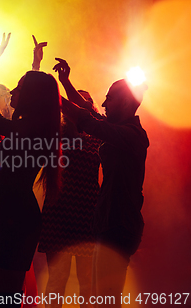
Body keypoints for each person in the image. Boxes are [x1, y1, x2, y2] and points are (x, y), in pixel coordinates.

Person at [0, 33, 62, 307]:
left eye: (19, 88)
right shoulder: (34, 127)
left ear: (32, 97)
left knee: (6, 294)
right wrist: (34, 67)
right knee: (8, 292)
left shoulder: (27, 132)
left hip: (16, 216)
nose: (12, 91)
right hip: (17, 213)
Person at [57, 58, 149, 308]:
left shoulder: (133, 135)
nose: (105, 103)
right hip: (110, 222)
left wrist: (51, 95)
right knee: (101, 299)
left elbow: (87, 121)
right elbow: (91, 114)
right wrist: (65, 83)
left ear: (127, 102)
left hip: (118, 225)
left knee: (106, 301)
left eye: (110, 98)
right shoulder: (122, 128)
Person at [38, 90, 102, 308]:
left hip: (87, 217)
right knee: (57, 281)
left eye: (84, 103)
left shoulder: (97, 138)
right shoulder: (55, 138)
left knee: (87, 282)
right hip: (58, 216)